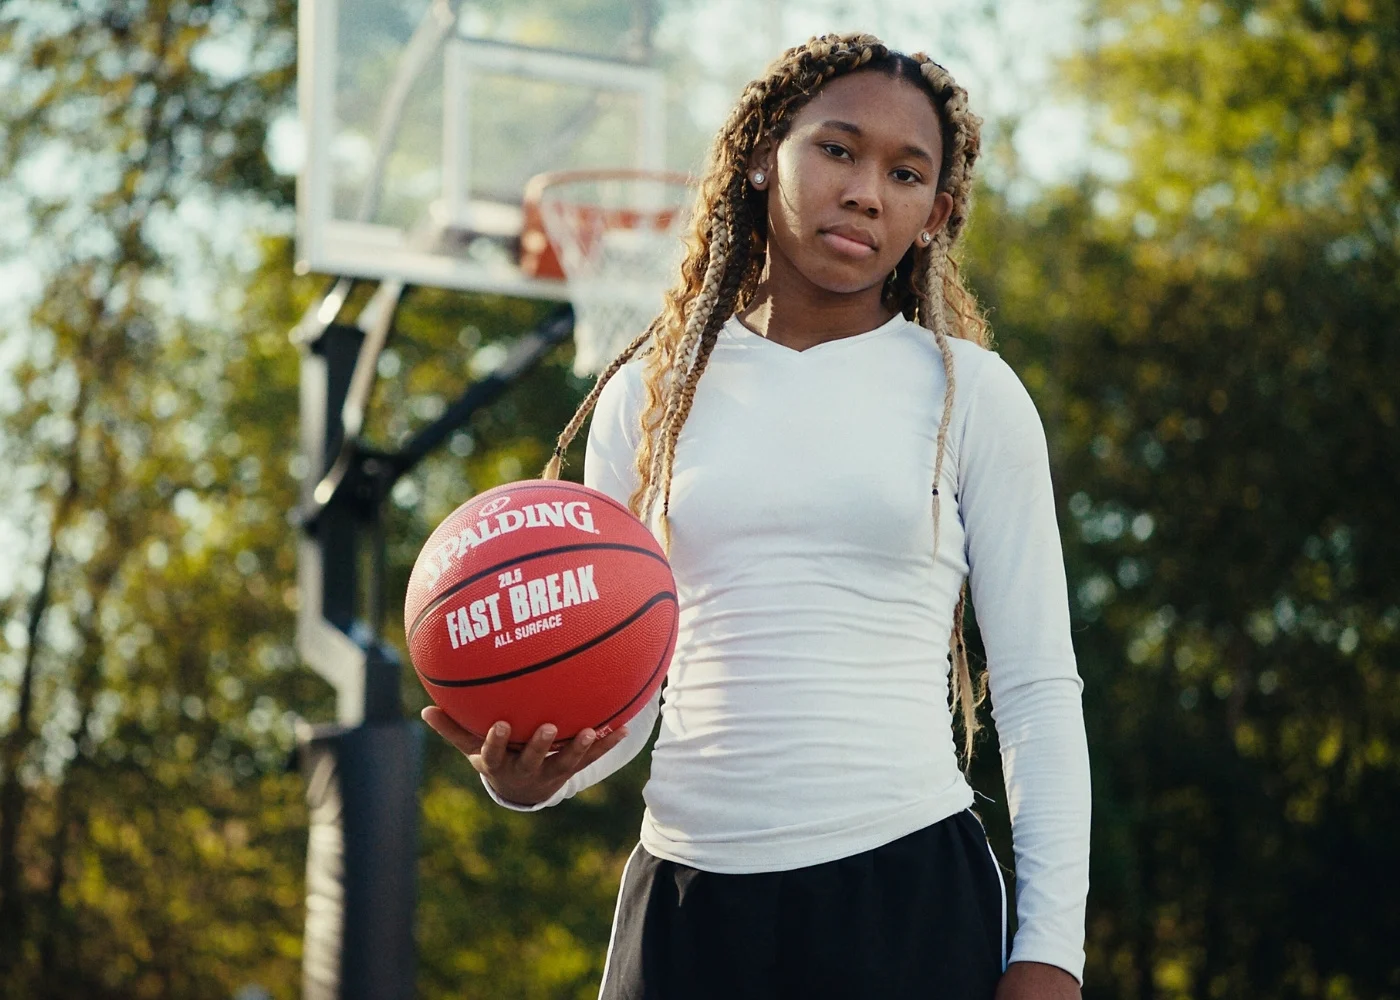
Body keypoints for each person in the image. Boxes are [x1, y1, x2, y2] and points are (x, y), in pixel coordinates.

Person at [423, 32, 1091, 1000]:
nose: (865, 189)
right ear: (757, 155)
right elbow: (628, 686)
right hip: (688, 894)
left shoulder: (970, 394)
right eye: (835, 149)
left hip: (899, 884)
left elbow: (1034, 686)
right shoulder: (651, 394)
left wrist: (1049, 952)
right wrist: (536, 779)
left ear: (934, 214)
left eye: (905, 173)